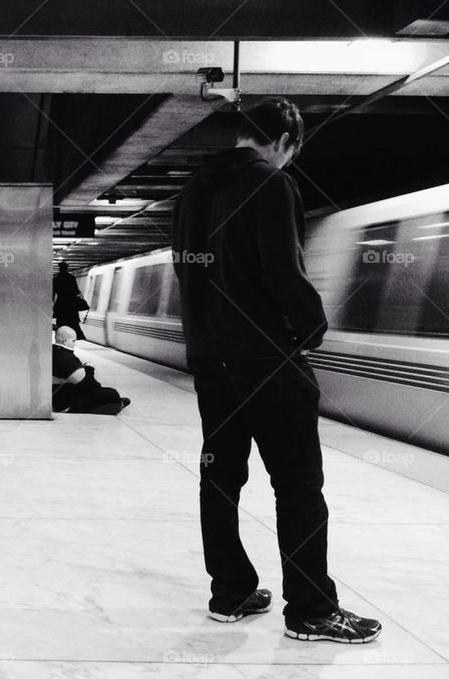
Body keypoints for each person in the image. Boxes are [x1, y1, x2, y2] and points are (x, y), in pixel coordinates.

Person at [172, 97, 381, 643]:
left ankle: (231, 592)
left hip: (211, 360)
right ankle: (311, 609)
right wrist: (309, 331)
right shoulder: (271, 183)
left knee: (220, 478)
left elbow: (188, 275)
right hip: (265, 360)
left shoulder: (194, 189)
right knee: (298, 486)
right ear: (285, 139)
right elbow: (284, 272)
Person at [51, 326, 130, 414]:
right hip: (66, 402)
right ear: (65, 341)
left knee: (106, 394)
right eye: (73, 341)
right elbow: (86, 383)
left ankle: (115, 403)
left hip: (55, 397)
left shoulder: (52, 351)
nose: (75, 344)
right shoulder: (66, 357)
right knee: (113, 393)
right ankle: (118, 404)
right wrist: (89, 368)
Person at [52, 261, 85, 340]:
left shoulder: (56, 278)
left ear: (60, 268)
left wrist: (53, 304)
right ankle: (76, 337)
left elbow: (53, 292)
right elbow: (76, 291)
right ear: (67, 268)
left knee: (61, 322)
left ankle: (61, 337)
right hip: (71, 304)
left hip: (60, 304)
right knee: (73, 323)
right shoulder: (71, 277)